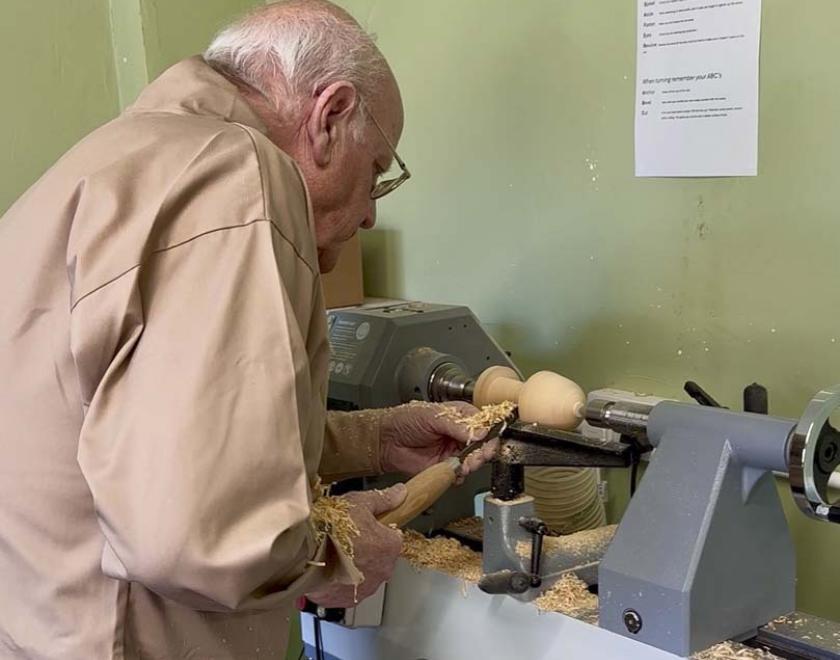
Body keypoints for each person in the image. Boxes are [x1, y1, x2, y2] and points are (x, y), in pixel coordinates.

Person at [0, 1, 496, 658]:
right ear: (330, 117)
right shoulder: (239, 176)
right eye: (377, 172)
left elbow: (160, 435)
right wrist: (333, 552)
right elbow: (196, 533)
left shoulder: (106, 162)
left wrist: (370, 438)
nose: (372, 215)